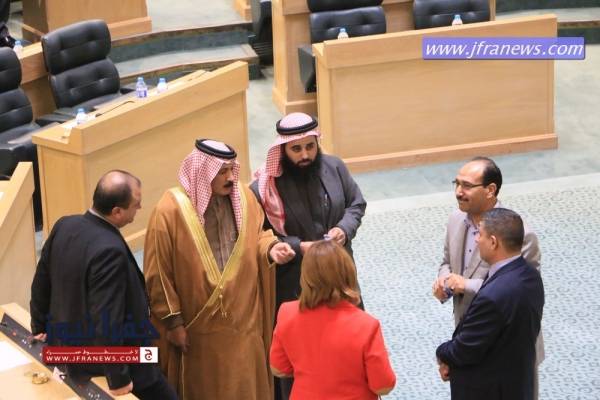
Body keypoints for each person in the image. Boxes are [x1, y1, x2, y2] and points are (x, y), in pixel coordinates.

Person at [144, 139, 295, 400]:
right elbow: (158, 273)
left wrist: (271, 249)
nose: (230, 178)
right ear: (203, 172)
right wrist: (174, 323)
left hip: (243, 318)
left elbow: (258, 235)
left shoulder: (245, 198)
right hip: (197, 327)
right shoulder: (169, 210)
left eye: (231, 170)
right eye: (222, 172)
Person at [30, 170, 177, 399]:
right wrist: (118, 378)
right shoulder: (110, 251)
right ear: (117, 211)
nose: (139, 208)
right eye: (136, 205)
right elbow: (107, 317)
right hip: (111, 362)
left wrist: (39, 327)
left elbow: (41, 282)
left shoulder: (64, 225)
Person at [251, 112, 366, 399]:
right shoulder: (265, 187)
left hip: (339, 273)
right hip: (296, 281)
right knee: (302, 355)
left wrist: (343, 229)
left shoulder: (334, 167)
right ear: (282, 149)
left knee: (348, 341)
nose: (305, 155)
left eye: (310, 146)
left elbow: (356, 204)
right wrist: (296, 245)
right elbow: (259, 234)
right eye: (296, 149)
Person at [431, 157, 544, 398]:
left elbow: (521, 288)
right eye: (456, 183)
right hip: (470, 338)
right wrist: (444, 281)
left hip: (509, 349)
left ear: (490, 190)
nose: (458, 192)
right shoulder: (455, 220)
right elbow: (447, 261)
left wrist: (465, 285)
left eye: (467, 186)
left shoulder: (519, 233)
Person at [270, 240, 396, 400]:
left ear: (305, 275)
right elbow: (384, 386)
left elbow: (278, 368)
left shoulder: (286, 312)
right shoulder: (367, 325)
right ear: (348, 273)